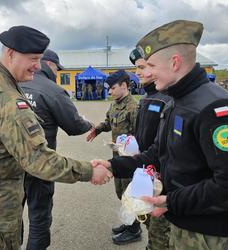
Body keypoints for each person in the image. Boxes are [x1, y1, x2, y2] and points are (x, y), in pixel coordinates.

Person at [0, 25, 112, 250]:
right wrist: (90, 170)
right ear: (10, 53)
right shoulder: (10, 103)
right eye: (33, 58)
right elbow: (38, 160)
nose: (38, 66)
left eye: (41, 58)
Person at [93, 20, 228, 249]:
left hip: (207, 234)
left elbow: (224, 184)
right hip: (182, 220)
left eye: (150, 65)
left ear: (175, 62)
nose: (143, 73)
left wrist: (169, 200)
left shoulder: (214, 107)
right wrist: (111, 165)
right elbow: (156, 153)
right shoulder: (174, 101)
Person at [20, 49, 93, 250]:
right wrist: (87, 123)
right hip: (40, 164)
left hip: (9, 164)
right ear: (49, 64)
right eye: (57, 68)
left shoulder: (13, 82)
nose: (58, 72)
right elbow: (74, 125)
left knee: (10, 215)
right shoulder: (52, 89)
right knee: (39, 216)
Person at [111, 48, 171, 248]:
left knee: (160, 231)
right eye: (137, 68)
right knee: (149, 221)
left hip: (159, 174)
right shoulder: (147, 99)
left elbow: (163, 145)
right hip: (145, 169)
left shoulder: (167, 100)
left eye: (143, 67)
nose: (137, 72)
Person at [87, 69, 138, 244]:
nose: (109, 92)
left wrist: (129, 148)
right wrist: (98, 129)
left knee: (130, 193)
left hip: (131, 159)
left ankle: (134, 229)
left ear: (124, 85)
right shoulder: (115, 104)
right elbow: (109, 122)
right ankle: (128, 222)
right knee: (120, 192)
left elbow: (141, 136)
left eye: (113, 88)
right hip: (117, 156)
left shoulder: (134, 107)